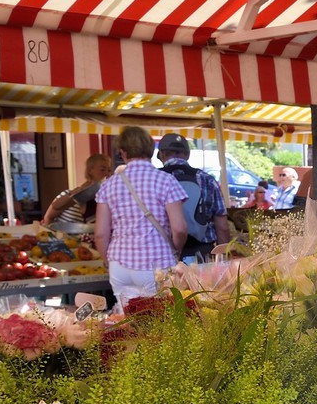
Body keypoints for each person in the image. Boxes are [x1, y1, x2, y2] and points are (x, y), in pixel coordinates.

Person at [95, 126, 187, 306]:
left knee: (127, 323)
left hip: (119, 264)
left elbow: (100, 234)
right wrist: (174, 248)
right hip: (157, 262)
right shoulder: (165, 180)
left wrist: (109, 260)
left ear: (123, 152)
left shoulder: (108, 185)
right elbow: (180, 228)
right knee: (160, 322)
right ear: (152, 150)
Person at [156, 133, 232, 262]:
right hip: (201, 253)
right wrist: (225, 257)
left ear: (162, 154)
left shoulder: (155, 179)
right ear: (187, 154)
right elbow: (222, 226)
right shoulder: (208, 180)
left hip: (164, 254)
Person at [43, 154, 113, 226]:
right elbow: (48, 217)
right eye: (102, 170)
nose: (107, 173)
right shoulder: (71, 194)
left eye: (109, 170)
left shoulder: (106, 198)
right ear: (90, 171)